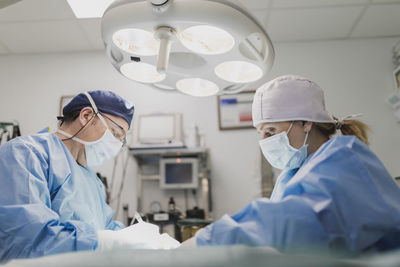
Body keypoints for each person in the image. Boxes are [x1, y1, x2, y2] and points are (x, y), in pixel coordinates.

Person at [190, 75, 400, 254]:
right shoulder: (293, 173)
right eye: (260, 133)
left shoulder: (344, 158)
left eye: (271, 131)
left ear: (305, 122)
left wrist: (208, 241)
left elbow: (295, 220)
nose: (264, 141)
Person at [0, 91, 179, 262]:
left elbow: (105, 229)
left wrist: (138, 236)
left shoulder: (93, 182)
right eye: (115, 133)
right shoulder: (26, 154)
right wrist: (106, 242)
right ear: (86, 116)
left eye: (121, 140)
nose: (117, 144)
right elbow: (25, 240)